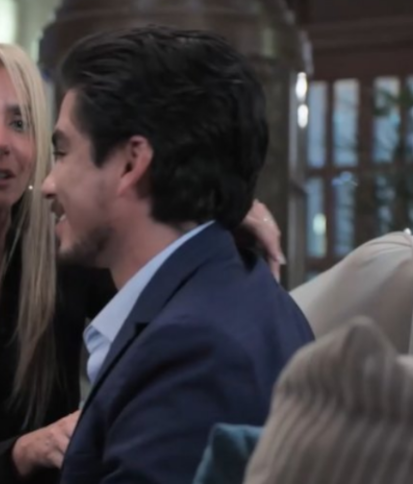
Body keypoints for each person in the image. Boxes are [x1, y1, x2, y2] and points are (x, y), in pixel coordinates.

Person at [0, 40, 287, 484]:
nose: (1, 142)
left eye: (21, 123)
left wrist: (215, 206)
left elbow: (169, 294)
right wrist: (21, 452)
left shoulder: (67, 258)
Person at [42, 26, 313, 484]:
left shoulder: (192, 353)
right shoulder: (236, 288)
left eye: (63, 151)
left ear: (131, 164)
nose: (48, 184)